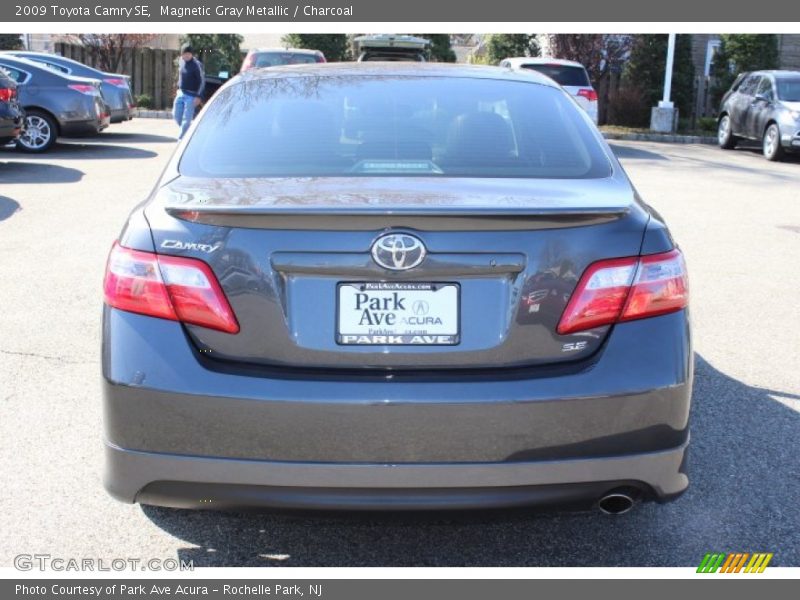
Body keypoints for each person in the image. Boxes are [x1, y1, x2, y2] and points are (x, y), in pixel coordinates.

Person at [172, 44, 205, 140]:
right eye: (184, 53)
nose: (186, 55)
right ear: (182, 54)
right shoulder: (181, 61)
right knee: (176, 115)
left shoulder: (196, 64)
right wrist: (178, 87)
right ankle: (189, 133)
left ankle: (182, 140)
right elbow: (180, 75)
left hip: (191, 96)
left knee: (186, 120)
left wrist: (199, 96)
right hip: (181, 93)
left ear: (192, 54)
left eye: (188, 53)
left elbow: (202, 81)